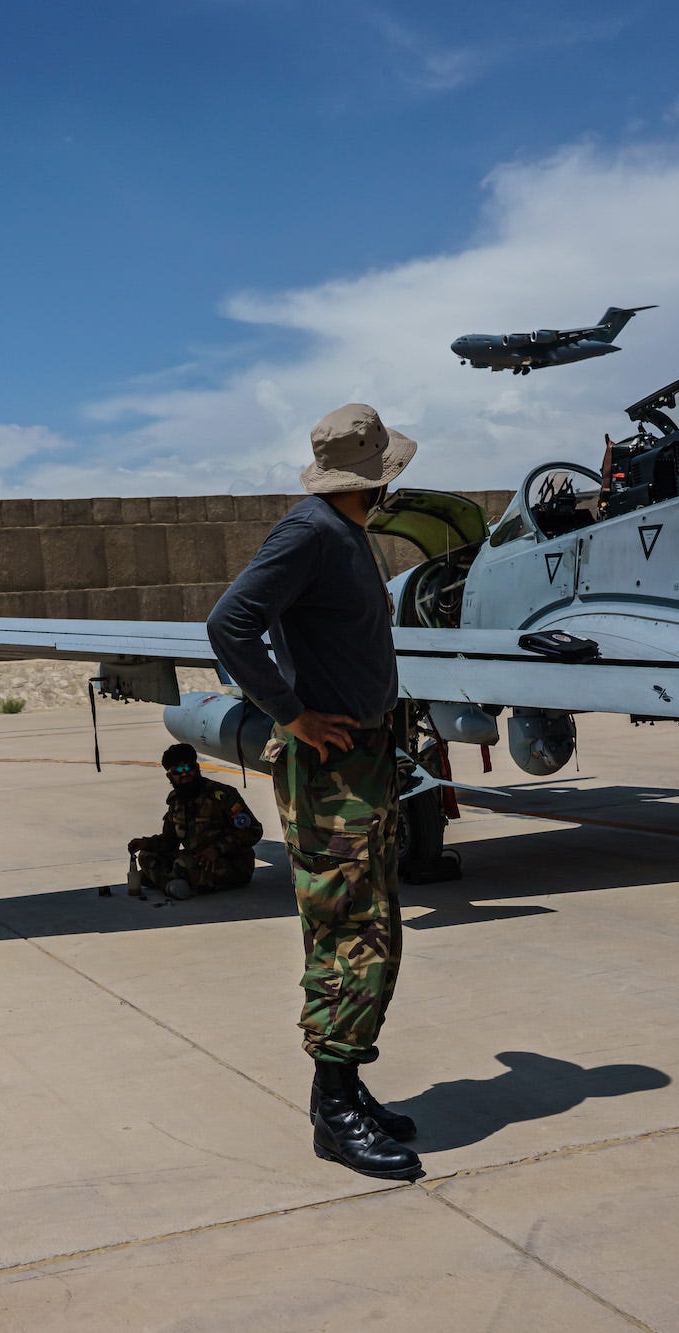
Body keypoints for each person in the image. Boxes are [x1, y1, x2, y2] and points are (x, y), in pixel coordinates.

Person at [206, 403, 423, 1182]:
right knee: (348, 933)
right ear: (376, 476)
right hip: (331, 769)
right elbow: (230, 623)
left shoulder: (344, 534)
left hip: (362, 759)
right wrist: (291, 713)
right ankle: (333, 1111)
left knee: (371, 926)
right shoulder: (308, 532)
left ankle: (346, 1084)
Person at [126, 743, 264, 899]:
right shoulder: (177, 802)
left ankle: (167, 881)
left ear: (197, 768)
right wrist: (145, 843)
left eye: (188, 768)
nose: (185, 774)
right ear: (170, 776)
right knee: (146, 856)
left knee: (183, 865)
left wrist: (217, 849)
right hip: (195, 859)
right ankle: (172, 884)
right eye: (178, 771)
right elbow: (169, 840)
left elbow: (253, 831)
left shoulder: (221, 795)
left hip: (230, 863)